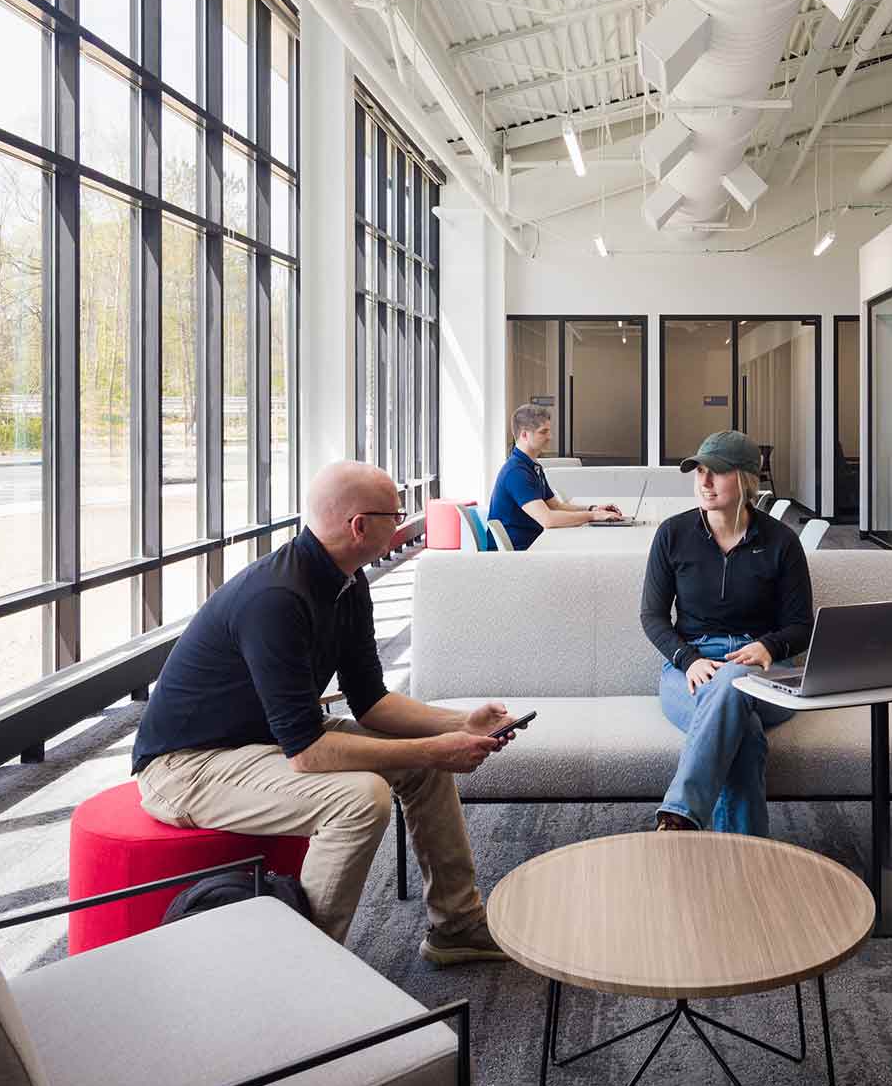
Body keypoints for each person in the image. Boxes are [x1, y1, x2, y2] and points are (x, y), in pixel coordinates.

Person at [131, 461, 513, 963]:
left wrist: (459, 725)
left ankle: (456, 925)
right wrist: (437, 748)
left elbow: (372, 702)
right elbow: (308, 754)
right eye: (394, 513)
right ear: (359, 525)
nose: (402, 522)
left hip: (264, 739)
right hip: (188, 766)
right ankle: (309, 974)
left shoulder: (347, 582)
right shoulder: (276, 598)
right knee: (360, 800)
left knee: (422, 766)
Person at [639, 430, 813, 836]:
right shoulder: (673, 534)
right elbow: (652, 616)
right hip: (689, 669)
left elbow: (801, 624)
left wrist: (769, 646)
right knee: (745, 734)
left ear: (747, 481)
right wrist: (689, 659)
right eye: (699, 470)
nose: (704, 481)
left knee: (735, 684)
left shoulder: (781, 542)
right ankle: (744, 860)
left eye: (716, 472)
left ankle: (680, 815)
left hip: (770, 672)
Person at [487, 404, 625, 548]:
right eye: (543, 432)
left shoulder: (533, 467)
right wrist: (593, 517)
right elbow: (548, 519)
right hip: (520, 553)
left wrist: (593, 509)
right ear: (524, 435)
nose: (550, 437)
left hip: (533, 544)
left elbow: (556, 506)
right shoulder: (516, 472)